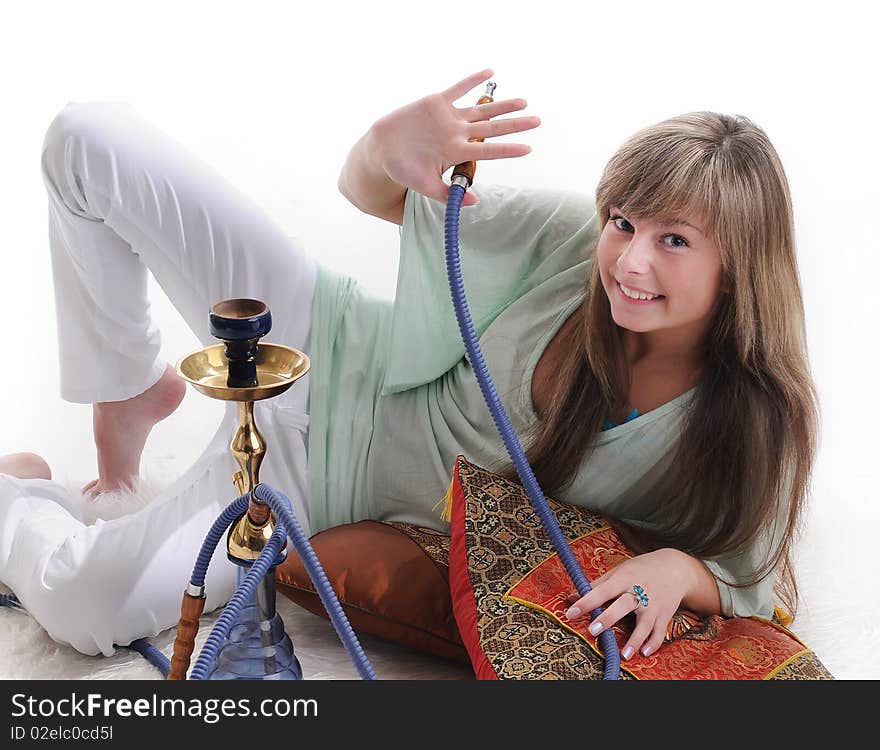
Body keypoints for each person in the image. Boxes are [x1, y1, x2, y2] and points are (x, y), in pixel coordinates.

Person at [0, 67, 818, 666]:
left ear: (740, 266)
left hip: (306, 484)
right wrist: (381, 149)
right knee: (86, 140)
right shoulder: (572, 240)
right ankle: (130, 387)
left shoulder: (749, 420)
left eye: (673, 239)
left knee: (85, 605)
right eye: (624, 222)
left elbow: (753, 577)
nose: (628, 262)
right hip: (320, 333)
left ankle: (17, 499)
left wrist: (674, 568)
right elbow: (377, 194)